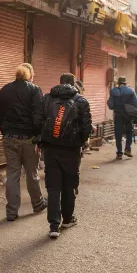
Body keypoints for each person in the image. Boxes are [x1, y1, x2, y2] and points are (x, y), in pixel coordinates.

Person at [40, 73, 93, 239]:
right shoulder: (81, 101)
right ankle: (68, 219)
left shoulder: (47, 99)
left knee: (53, 187)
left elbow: (38, 121)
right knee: (69, 185)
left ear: (60, 82)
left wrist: (43, 141)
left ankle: (53, 226)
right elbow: (86, 127)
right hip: (71, 150)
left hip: (51, 149)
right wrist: (79, 142)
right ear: (74, 83)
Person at [0, 63, 47, 221]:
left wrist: (6, 132)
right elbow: (38, 116)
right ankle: (38, 204)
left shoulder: (4, 90)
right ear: (30, 75)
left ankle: (11, 212)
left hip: (9, 137)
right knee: (31, 173)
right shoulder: (34, 90)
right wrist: (38, 137)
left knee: (12, 174)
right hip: (28, 139)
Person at [108, 76, 137, 160]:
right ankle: (127, 149)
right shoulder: (131, 91)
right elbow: (136, 104)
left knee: (118, 134)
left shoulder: (113, 91)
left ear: (118, 83)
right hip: (128, 115)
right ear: (125, 83)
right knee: (129, 132)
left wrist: (115, 105)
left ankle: (119, 153)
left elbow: (111, 105)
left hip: (118, 115)